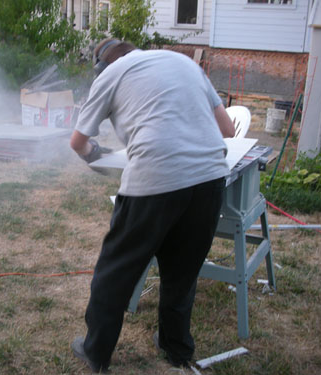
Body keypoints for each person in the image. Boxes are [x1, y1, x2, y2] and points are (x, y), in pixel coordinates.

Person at [69, 38, 235, 373]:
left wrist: (94, 155)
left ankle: (96, 350)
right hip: (210, 179)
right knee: (182, 271)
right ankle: (176, 348)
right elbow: (227, 130)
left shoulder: (110, 74)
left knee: (116, 272)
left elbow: (78, 142)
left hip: (155, 179)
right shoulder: (185, 63)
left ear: (102, 65)